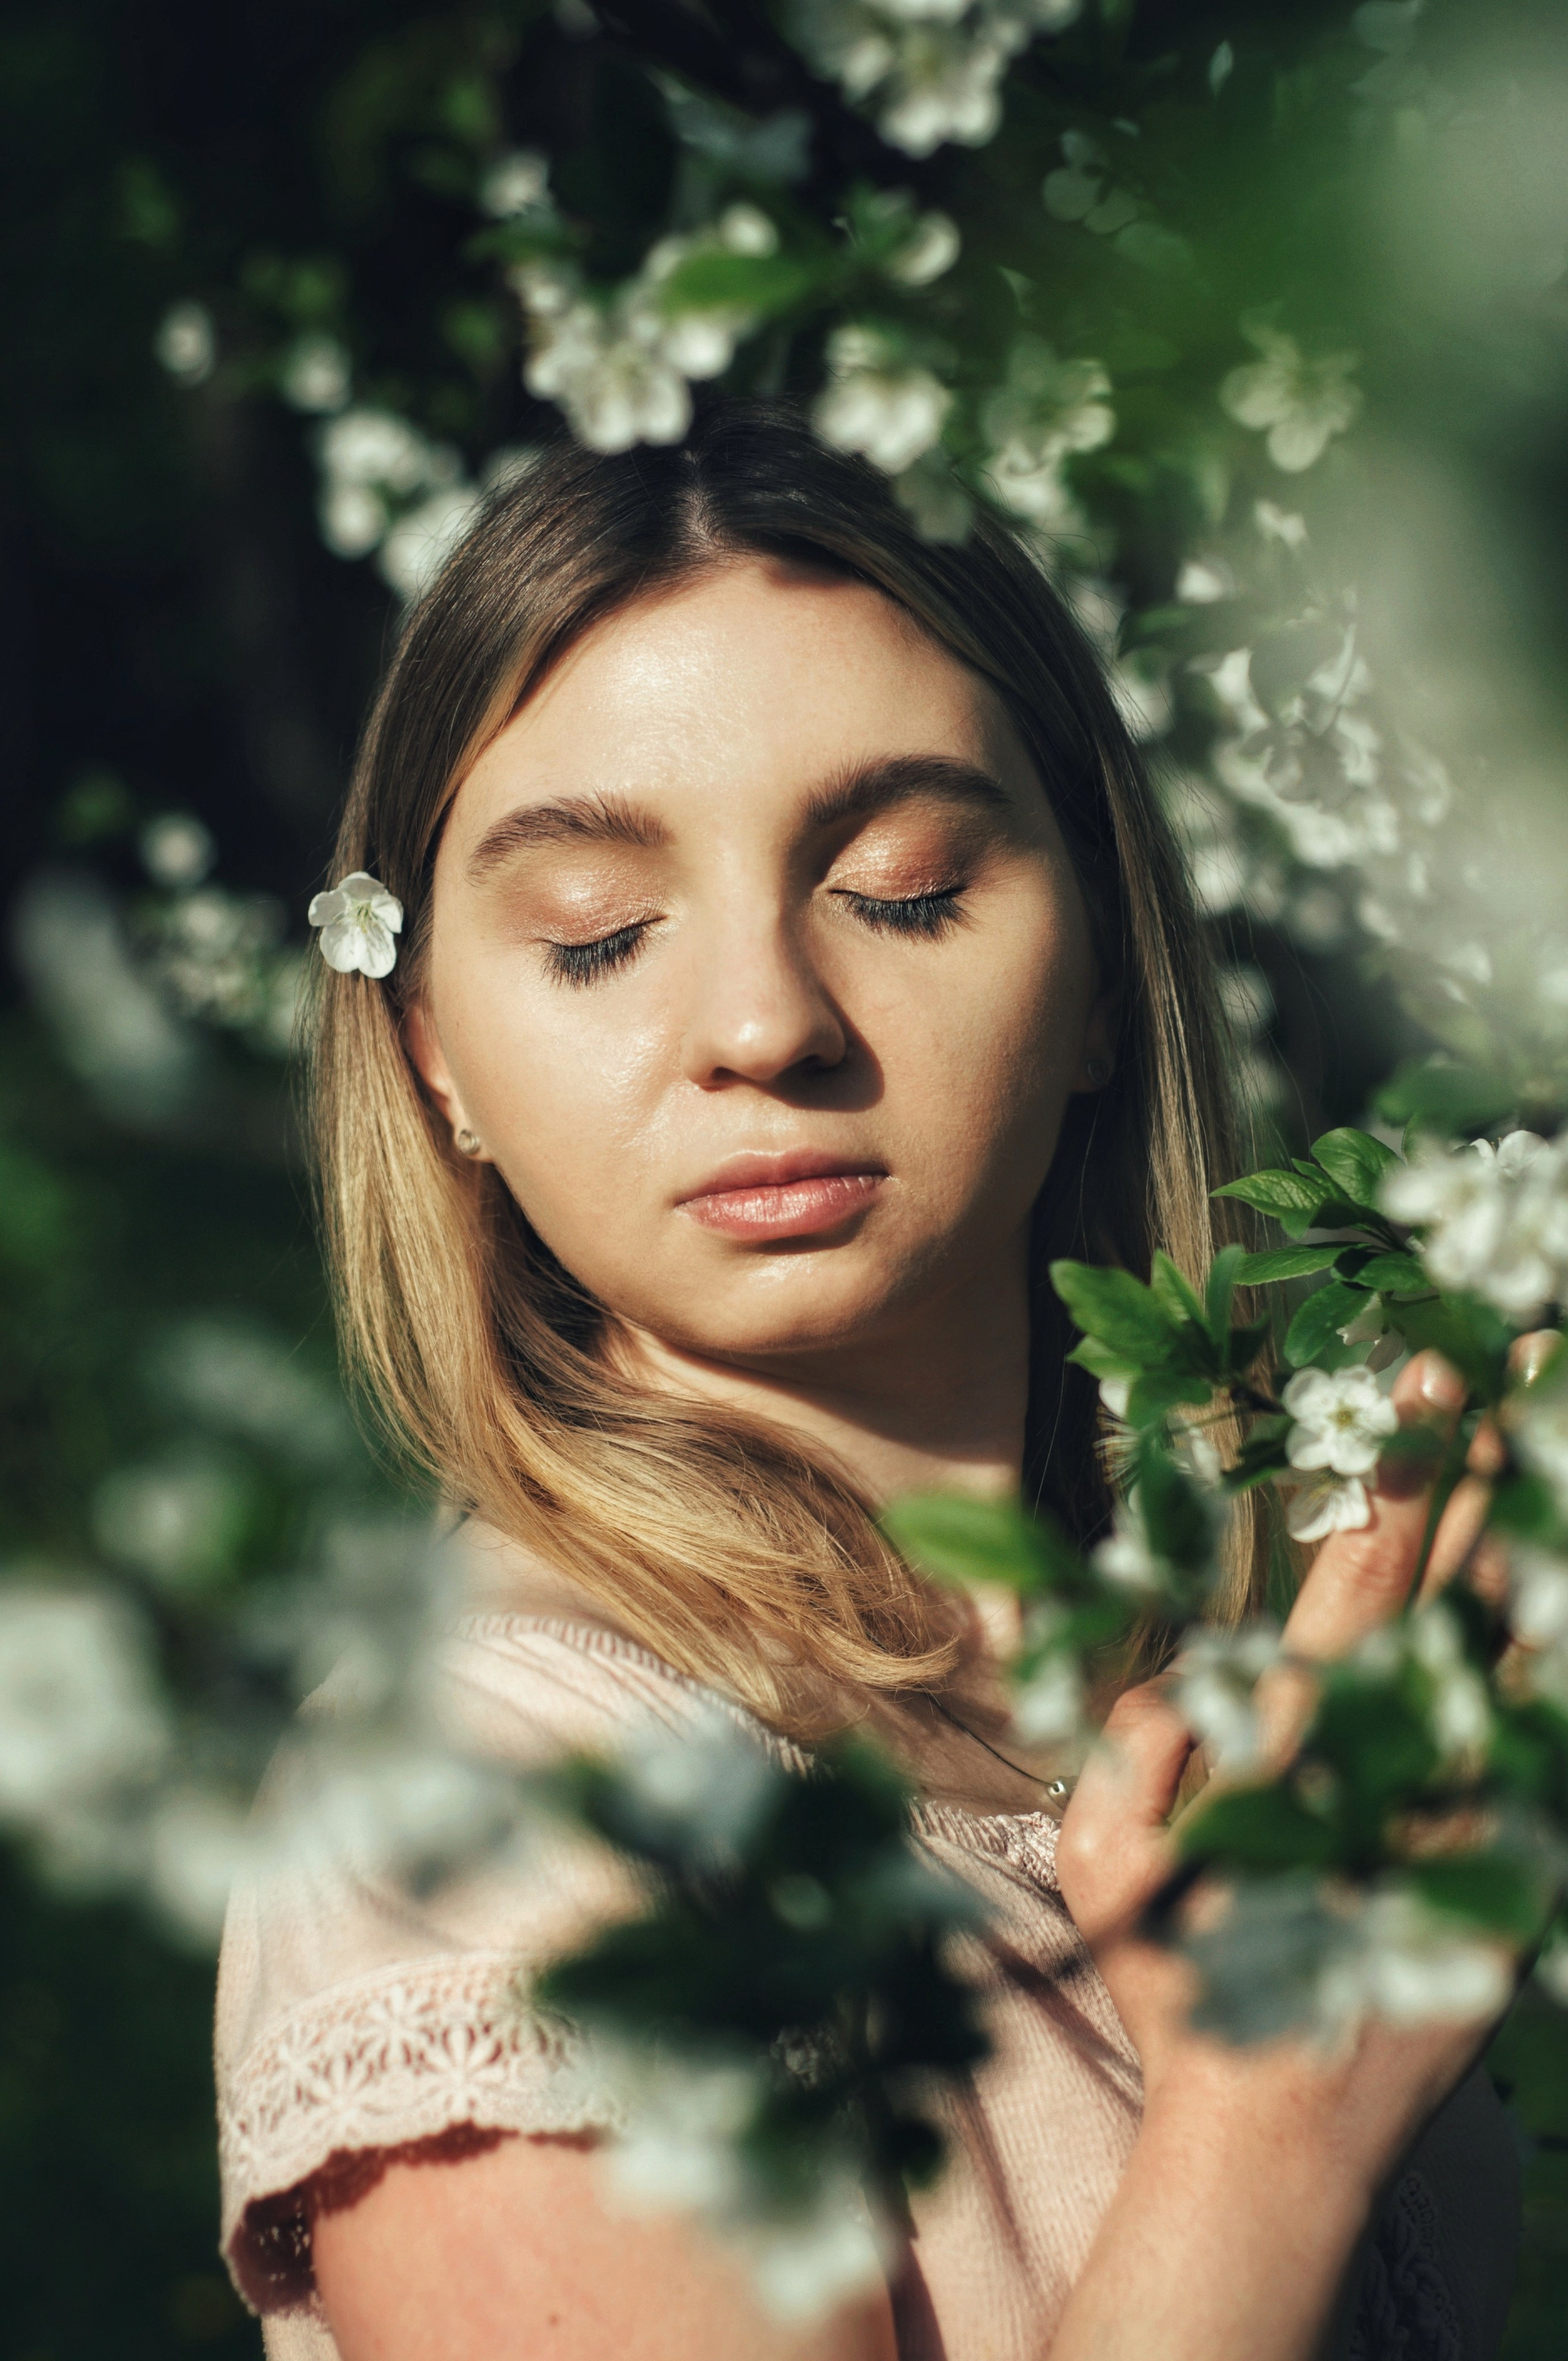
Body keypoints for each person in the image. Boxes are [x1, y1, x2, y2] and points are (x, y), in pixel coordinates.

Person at [214, 402, 1520, 2360]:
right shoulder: (484, 1812)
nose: (762, 1020)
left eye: (902, 887)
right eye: (599, 932)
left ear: (1100, 969)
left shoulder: (1264, 1680)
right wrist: (1268, 2132)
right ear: (436, 1059)